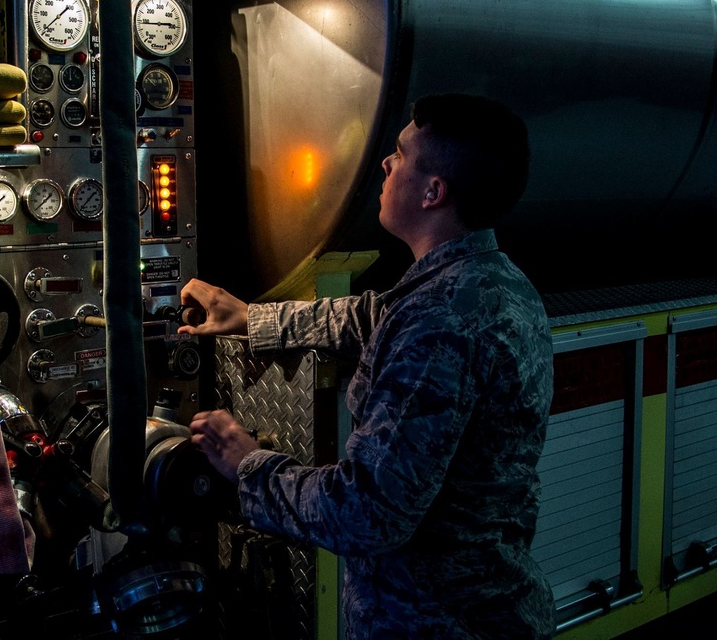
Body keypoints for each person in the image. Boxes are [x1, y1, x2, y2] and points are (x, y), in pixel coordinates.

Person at [179, 93, 555, 638]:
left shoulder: (440, 323)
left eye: (401, 155)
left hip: (435, 624)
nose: (385, 162)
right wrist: (253, 318)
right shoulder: (489, 282)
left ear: (433, 192)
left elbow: (365, 514)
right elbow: (369, 316)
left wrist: (248, 464)